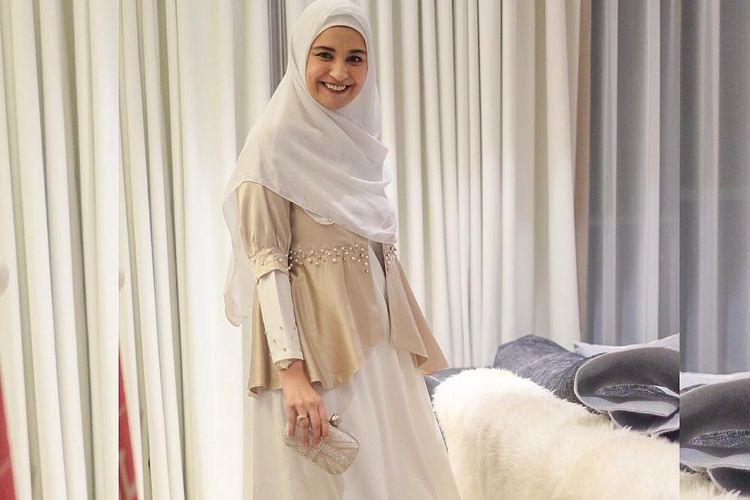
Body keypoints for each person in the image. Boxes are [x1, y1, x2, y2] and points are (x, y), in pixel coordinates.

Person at [222, 1, 461, 498]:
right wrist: (293, 376)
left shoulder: (357, 143)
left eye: (355, 58)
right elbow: (268, 268)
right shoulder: (271, 147)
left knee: (400, 477)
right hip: (316, 361)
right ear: (300, 58)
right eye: (325, 54)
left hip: (378, 353)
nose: (339, 72)